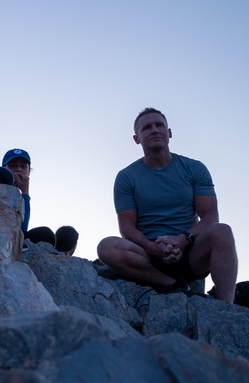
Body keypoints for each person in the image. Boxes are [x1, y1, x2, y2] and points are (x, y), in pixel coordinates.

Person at [97, 107, 237, 302]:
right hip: (148, 255)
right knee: (106, 247)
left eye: (159, 125)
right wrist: (152, 247)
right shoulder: (126, 177)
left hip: (190, 250)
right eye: (146, 128)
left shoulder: (195, 168)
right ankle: (172, 285)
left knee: (222, 231)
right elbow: (127, 227)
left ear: (169, 133)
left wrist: (182, 239)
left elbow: (210, 217)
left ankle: (226, 306)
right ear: (137, 139)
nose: (154, 130)